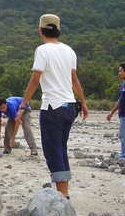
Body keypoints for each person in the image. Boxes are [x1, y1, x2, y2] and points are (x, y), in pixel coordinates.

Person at [16, 14, 88, 199]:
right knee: (61, 147)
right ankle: (65, 190)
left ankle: (62, 194)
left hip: (52, 106)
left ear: (40, 30)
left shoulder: (42, 50)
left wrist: (23, 105)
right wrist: (84, 103)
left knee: (52, 149)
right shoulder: (69, 51)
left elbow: (35, 79)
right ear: (57, 29)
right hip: (70, 106)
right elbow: (74, 79)